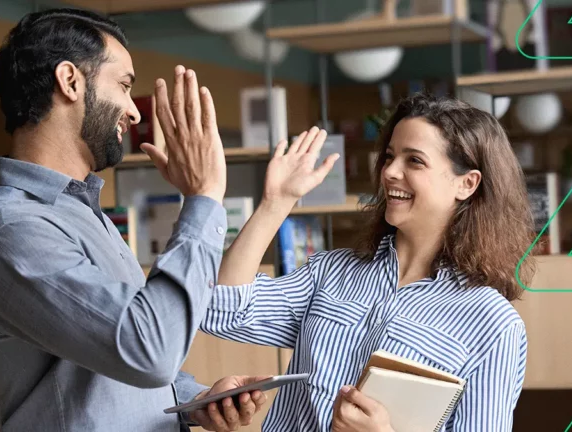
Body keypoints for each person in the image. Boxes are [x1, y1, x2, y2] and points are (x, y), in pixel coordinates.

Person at [0, 8, 270, 432]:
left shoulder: (81, 212)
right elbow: (149, 351)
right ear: (70, 81)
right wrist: (204, 197)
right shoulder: (12, 230)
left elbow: (112, 352)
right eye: (123, 85)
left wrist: (194, 400)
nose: (134, 112)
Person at [184, 93, 537, 431]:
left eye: (414, 160)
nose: (390, 172)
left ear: (467, 184)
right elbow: (220, 311)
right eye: (389, 156)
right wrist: (276, 202)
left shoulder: (493, 325)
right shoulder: (330, 273)